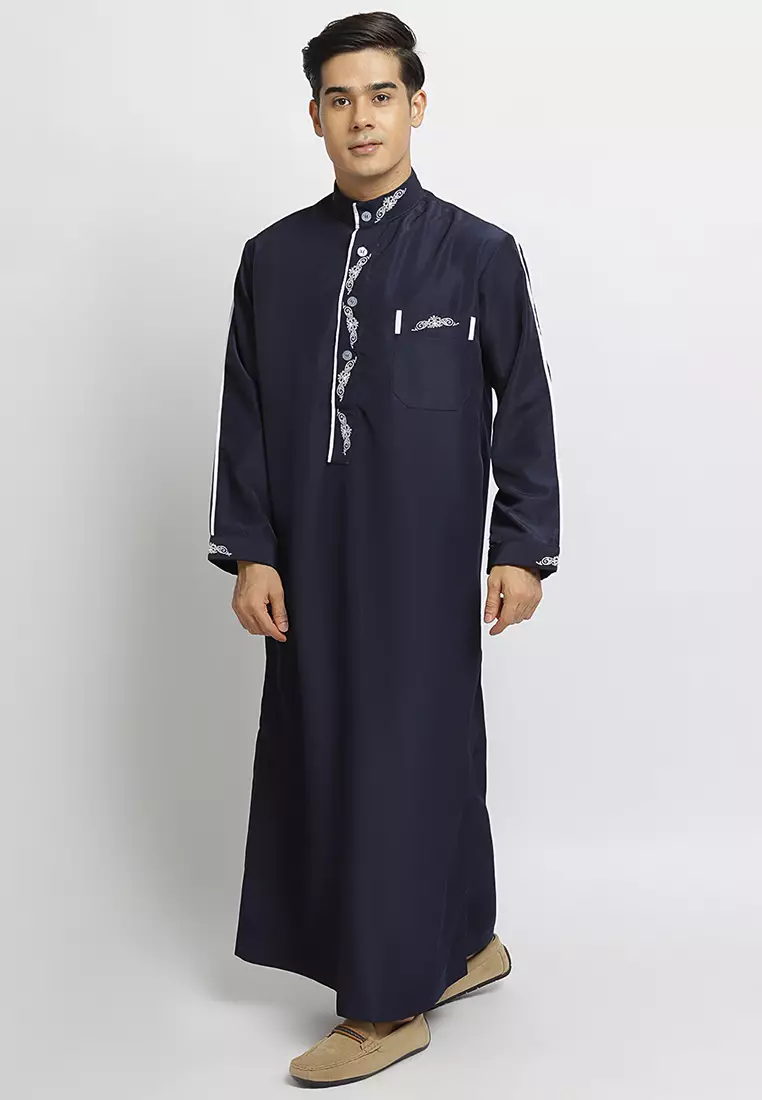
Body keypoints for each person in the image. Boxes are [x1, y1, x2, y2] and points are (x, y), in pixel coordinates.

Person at [206, 10, 561, 1087]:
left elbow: (524, 403)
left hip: (423, 565)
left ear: (416, 105)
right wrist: (252, 550)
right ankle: (463, 944)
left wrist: (521, 545)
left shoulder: (478, 253)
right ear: (315, 116)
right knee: (326, 757)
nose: (361, 117)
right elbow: (245, 414)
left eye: (380, 95)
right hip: (310, 565)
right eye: (339, 98)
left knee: (412, 758)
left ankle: (383, 1003)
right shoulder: (273, 259)